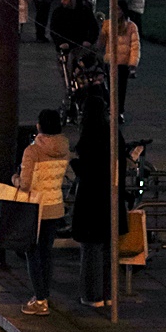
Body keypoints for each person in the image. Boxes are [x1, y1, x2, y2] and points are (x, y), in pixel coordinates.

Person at [12, 109, 71, 316]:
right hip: (55, 206)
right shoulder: (64, 147)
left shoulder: (33, 151)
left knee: (32, 252)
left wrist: (15, 179)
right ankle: (45, 294)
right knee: (46, 252)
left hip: (35, 208)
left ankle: (40, 299)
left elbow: (26, 184)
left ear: (40, 126)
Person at [70, 95, 125, 308]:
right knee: (108, 249)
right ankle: (109, 293)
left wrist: (74, 163)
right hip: (110, 197)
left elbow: (87, 169)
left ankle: (92, 295)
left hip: (91, 200)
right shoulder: (113, 133)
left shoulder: (90, 135)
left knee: (91, 250)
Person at [97, 3, 140, 117]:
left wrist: (132, 64)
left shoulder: (131, 26)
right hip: (110, 61)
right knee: (110, 86)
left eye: (119, 9)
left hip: (123, 62)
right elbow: (100, 44)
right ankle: (111, 107)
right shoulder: (108, 25)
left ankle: (119, 110)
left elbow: (135, 46)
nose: (116, 12)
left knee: (121, 88)